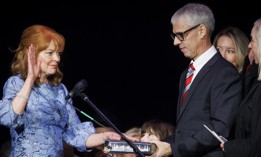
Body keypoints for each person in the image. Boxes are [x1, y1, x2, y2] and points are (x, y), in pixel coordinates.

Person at [0, 24, 130, 157]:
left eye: (58, 53)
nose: (57, 59)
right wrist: (30, 79)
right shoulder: (16, 83)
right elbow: (8, 118)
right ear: (30, 54)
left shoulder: (60, 90)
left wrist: (104, 137)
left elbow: (75, 134)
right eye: (50, 53)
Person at [150, 3, 243, 157]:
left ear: (201, 30)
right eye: (174, 36)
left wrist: (173, 149)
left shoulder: (225, 73)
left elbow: (218, 132)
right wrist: (160, 143)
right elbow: (187, 130)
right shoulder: (186, 74)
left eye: (181, 35)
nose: (176, 42)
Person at [220, 17, 261, 157]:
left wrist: (231, 147)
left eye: (230, 51)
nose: (222, 56)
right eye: (218, 50)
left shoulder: (250, 84)